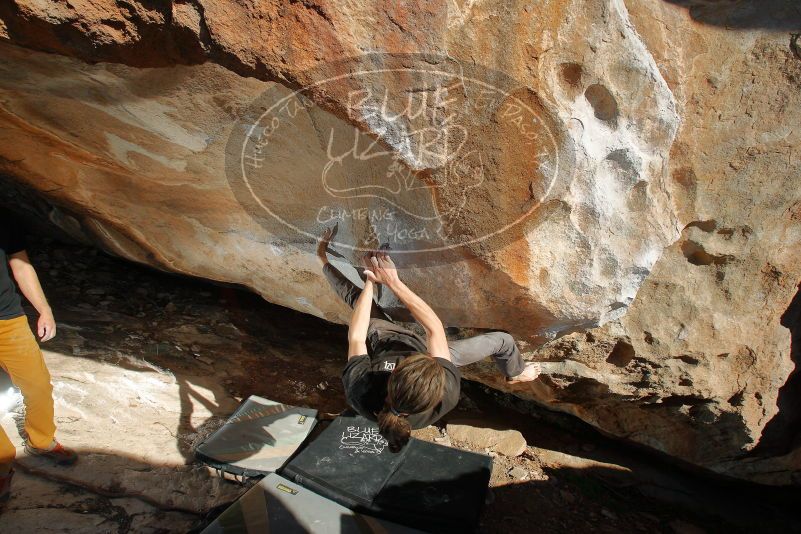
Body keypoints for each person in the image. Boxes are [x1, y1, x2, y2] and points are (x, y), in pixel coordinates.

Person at [317, 226, 540, 452]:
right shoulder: (447, 392)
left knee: (359, 302)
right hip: (431, 355)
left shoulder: (360, 389)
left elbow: (357, 335)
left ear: (394, 371)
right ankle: (515, 372)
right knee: (502, 340)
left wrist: (370, 281)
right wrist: (394, 282)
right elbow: (434, 329)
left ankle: (322, 259)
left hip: (389, 341)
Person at [0, 213, 77, 504]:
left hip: (8, 319)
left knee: (38, 386)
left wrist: (44, 309)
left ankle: (41, 441)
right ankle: (2, 465)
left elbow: (20, 266)